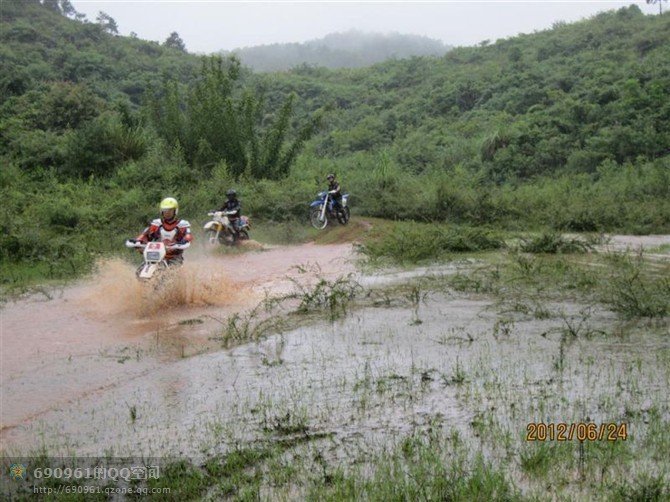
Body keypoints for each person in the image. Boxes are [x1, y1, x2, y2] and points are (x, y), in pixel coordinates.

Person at [134, 197, 192, 264]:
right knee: (139, 271)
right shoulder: (156, 224)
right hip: (155, 255)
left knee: (172, 271)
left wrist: (184, 241)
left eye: (170, 210)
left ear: (175, 211)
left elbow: (188, 236)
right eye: (165, 210)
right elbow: (145, 235)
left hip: (173, 257)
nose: (167, 213)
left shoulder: (182, 225)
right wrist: (138, 241)